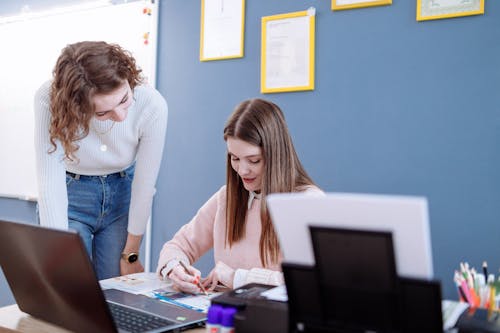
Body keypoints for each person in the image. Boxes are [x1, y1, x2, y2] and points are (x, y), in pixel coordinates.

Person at [156, 98, 322, 293]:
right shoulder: (227, 197)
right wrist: (176, 268)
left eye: (254, 160)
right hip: (224, 315)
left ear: (276, 155)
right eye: (234, 158)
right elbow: (178, 245)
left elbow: (313, 283)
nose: (242, 170)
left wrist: (237, 277)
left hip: (275, 319)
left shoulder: (309, 203)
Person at [34, 41, 168, 280]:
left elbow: (144, 186)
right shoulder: (49, 99)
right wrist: (57, 255)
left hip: (121, 194)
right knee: (71, 285)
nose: (121, 116)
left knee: (117, 289)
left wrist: (131, 255)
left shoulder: (152, 103)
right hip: (71, 195)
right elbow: (49, 182)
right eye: (102, 113)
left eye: (124, 100)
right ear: (77, 107)